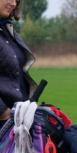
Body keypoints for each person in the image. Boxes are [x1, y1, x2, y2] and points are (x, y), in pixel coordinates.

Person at [0, 0, 36, 130]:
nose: (14, 4)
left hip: (17, 118)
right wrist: (3, 111)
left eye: (16, 0)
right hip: (5, 122)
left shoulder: (7, 29)